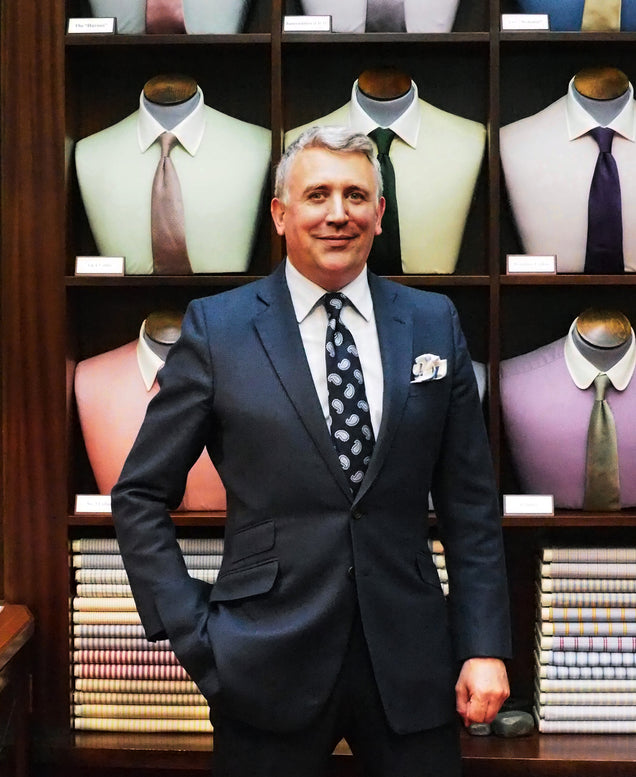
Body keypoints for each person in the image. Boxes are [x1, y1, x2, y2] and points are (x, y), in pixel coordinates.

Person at [111, 125, 511, 777]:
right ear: (280, 213)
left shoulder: (433, 322)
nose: (337, 212)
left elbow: (470, 505)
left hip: (411, 660)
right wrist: (192, 631)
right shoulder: (219, 328)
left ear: (379, 213)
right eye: (317, 194)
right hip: (262, 660)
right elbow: (139, 493)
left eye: (356, 195)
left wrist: (484, 644)